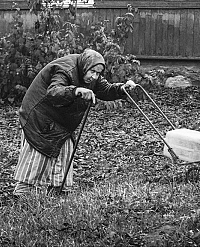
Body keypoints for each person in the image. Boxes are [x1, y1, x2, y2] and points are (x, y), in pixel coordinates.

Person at [13, 49, 136, 196]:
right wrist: (76, 90)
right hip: (39, 117)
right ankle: (22, 197)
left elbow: (104, 89)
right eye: (93, 72)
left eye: (98, 73)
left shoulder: (90, 72)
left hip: (62, 121)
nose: (95, 76)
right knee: (36, 159)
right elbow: (54, 92)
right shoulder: (65, 69)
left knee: (64, 155)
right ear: (85, 66)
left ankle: (56, 195)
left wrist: (122, 88)